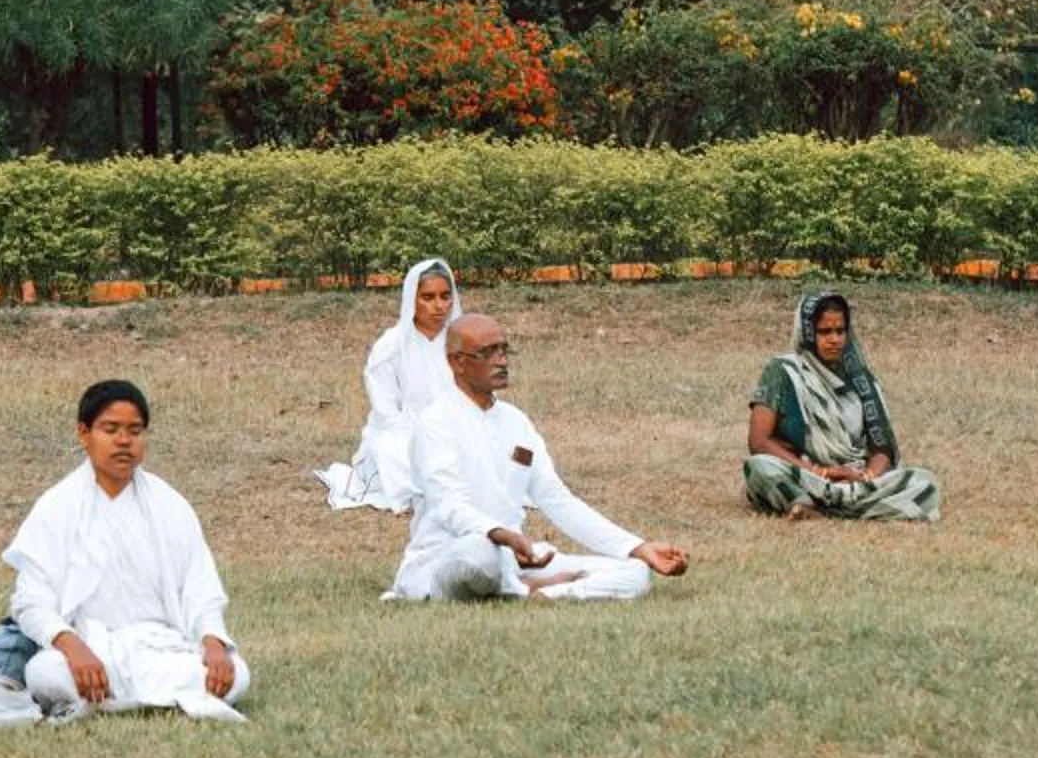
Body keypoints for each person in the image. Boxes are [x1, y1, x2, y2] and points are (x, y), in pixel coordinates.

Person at [386, 312, 690, 603]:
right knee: (479, 556)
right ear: (457, 362)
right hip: (450, 555)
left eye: (504, 350)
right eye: (488, 353)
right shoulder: (434, 423)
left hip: (517, 558)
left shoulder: (516, 422)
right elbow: (449, 507)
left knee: (634, 573)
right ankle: (521, 589)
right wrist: (505, 536)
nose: (501, 361)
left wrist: (638, 548)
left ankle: (543, 594)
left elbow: (557, 500)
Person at [5, 380, 251, 721]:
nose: (124, 441)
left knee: (237, 673)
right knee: (44, 673)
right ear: (84, 434)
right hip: (91, 649)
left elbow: (202, 589)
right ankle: (171, 702)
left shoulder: (170, 505)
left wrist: (213, 643)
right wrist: (72, 646)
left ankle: (113, 703)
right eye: (111, 429)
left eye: (134, 431)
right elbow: (31, 601)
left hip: (161, 648)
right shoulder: (56, 507)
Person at [744, 289, 941, 521]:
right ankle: (839, 505)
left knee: (925, 483)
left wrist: (866, 476)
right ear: (808, 334)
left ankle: (818, 507)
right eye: (825, 332)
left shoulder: (860, 379)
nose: (835, 339)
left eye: (840, 331)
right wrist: (822, 473)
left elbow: (882, 448)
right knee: (760, 468)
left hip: (855, 481)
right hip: (807, 476)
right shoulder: (782, 372)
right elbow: (758, 442)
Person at [316, 257, 462, 510]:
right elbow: (386, 413)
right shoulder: (391, 346)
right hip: (403, 434)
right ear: (411, 299)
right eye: (428, 298)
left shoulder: (463, 341)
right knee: (392, 452)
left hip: (456, 430)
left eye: (445, 296)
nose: (439, 306)